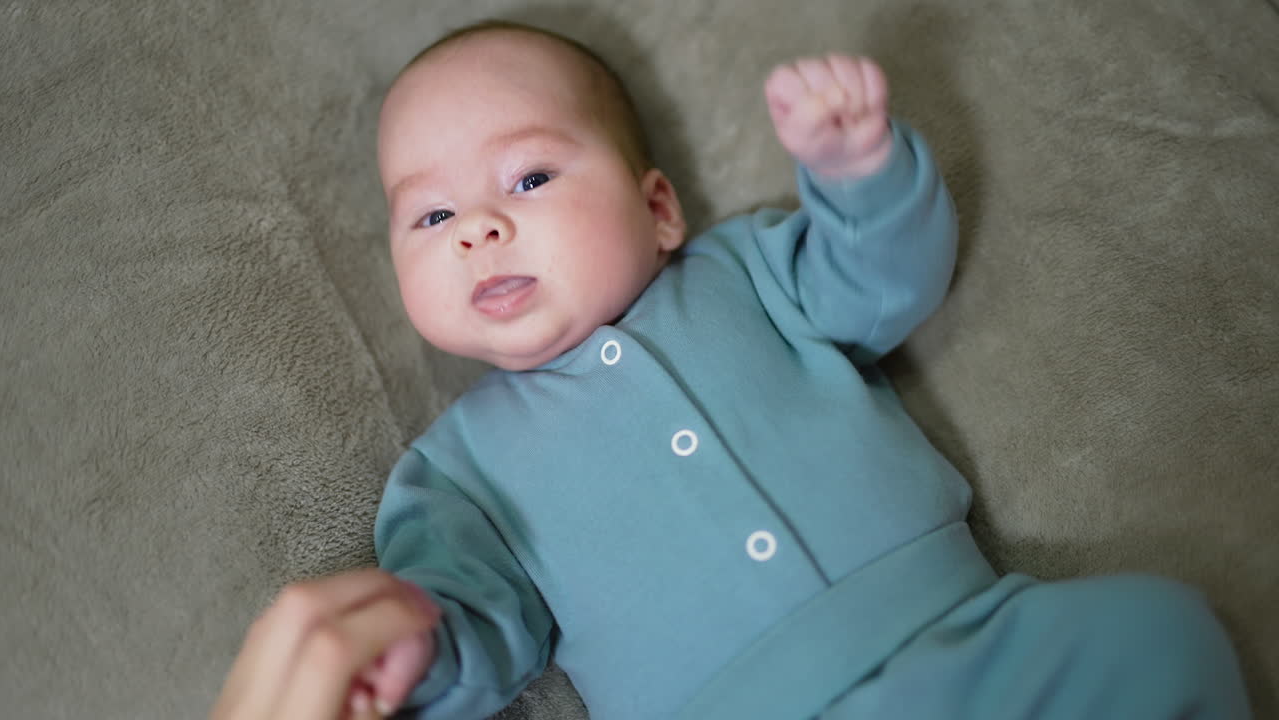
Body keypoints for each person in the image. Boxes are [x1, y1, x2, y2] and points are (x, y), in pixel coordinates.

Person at [214, 19, 1251, 720]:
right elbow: (476, 620)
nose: (479, 228)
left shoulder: (747, 269)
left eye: (528, 177)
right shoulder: (454, 474)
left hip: (965, 642)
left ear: (659, 209)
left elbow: (876, 284)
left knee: (1157, 631)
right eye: (431, 216)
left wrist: (858, 176)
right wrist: (414, 658)